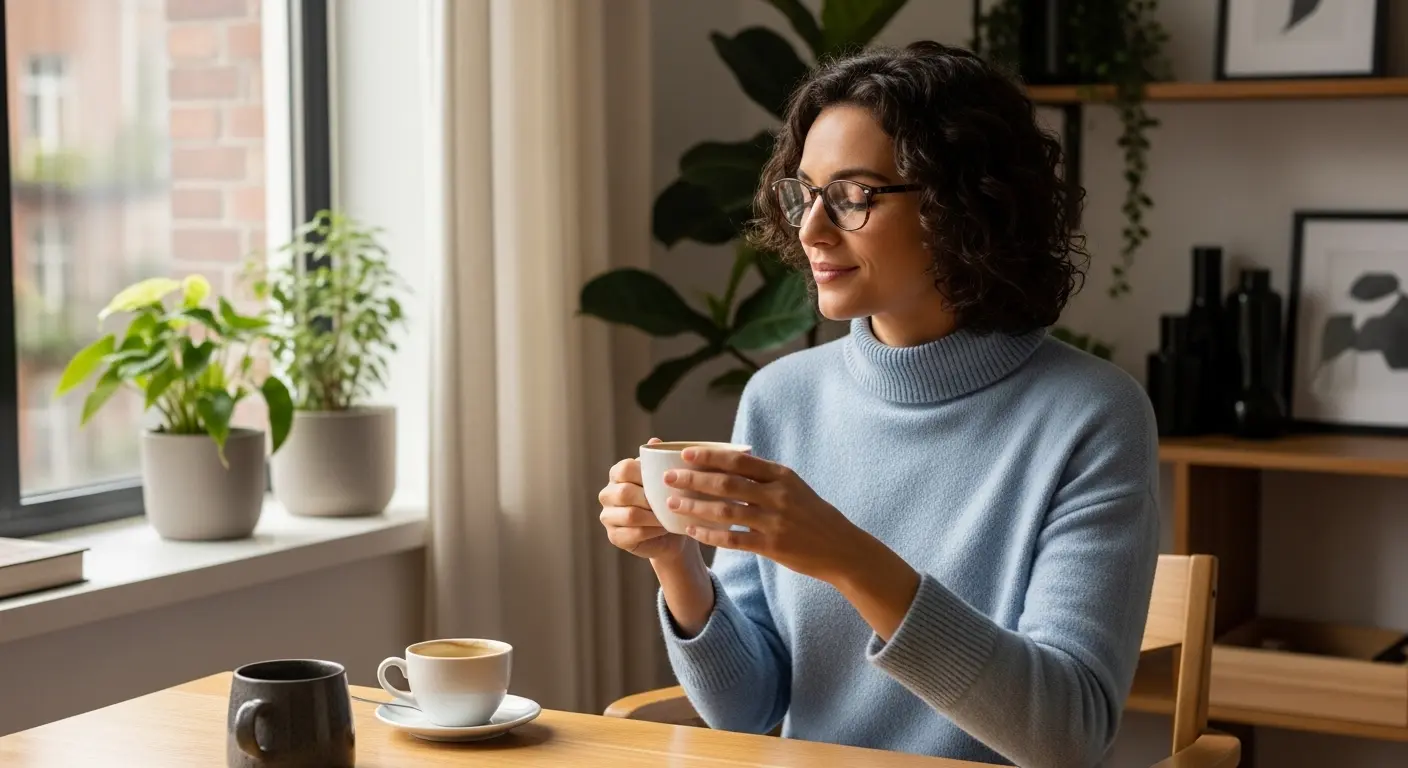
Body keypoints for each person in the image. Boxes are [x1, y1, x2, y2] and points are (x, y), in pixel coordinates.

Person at [597, 40, 1159, 768]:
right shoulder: (782, 398)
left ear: (964, 204)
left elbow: (1067, 736)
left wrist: (848, 557)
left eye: (854, 195)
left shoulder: (1092, 415)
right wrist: (678, 563)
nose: (809, 230)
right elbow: (748, 707)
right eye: (804, 193)